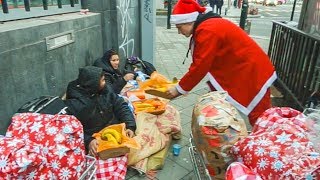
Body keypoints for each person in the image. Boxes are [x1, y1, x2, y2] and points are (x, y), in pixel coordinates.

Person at [167, 0, 277, 126]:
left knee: (260, 116)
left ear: (189, 21)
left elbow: (200, 65)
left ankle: (269, 140)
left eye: (179, 27)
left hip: (253, 70)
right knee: (257, 113)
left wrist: (179, 89)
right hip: (245, 67)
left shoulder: (207, 30)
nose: (179, 32)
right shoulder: (206, 25)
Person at [65, 66, 136, 156]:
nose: (105, 83)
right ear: (93, 84)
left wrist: (130, 125)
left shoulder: (105, 91)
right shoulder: (75, 103)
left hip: (113, 131)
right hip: (94, 139)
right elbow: (71, 129)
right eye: (102, 80)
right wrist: (88, 140)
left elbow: (120, 105)